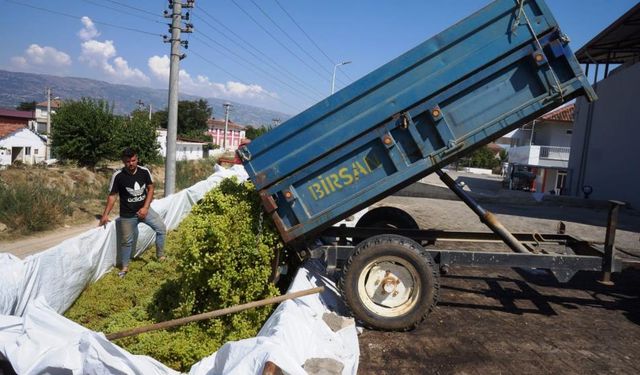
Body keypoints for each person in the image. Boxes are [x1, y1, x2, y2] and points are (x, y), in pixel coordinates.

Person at [99, 148, 166, 277]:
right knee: (126, 242)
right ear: (123, 161)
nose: (131, 163)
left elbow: (151, 188)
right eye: (128, 161)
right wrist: (105, 214)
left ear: (137, 158)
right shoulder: (118, 176)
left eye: (133, 160)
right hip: (127, 215)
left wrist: (146, 208)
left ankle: (160, 256)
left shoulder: (144, 171)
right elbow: (113, 196)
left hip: (145, 210)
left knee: (161, 228)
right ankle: (124, 267)